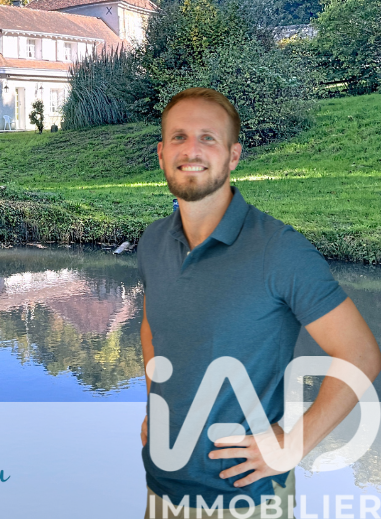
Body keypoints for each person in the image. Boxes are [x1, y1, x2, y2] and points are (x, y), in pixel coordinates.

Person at [138, 87, 381, 518]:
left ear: (233, 155)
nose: (191, 150)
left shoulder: (279, 250)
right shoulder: (153, 240)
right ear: (161, 153)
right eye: (179, 137)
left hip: (248, 499)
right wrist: (154, 406)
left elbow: (359, 354)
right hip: (163, 489)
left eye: (208, 138)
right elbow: (151, 326)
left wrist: (293, 444)